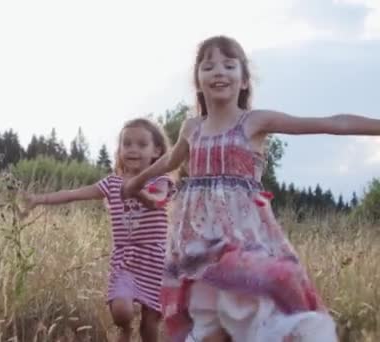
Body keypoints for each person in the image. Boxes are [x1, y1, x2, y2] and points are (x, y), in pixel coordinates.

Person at [121, 35, 380, 342]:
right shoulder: (192, 128)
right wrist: (137, 182)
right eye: (209, 66)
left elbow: (332, 123)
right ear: (198, 81)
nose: (219, 72)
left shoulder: (254, 122)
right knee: (209, 324)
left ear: (243, 81)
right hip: (198, 242)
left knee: (249, 315)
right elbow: (168, 162)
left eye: (229, 65)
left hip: (243, 240)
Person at [21, 118, 175, 341]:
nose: (133, 149)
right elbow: (74, 194)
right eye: (127, 144)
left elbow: (155, 201)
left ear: (156, 150)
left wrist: (134, 188)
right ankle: (125, 330)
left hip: (155, 259)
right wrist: (38, 199)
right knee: (121, 311)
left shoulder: (160, 180)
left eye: (142, 145)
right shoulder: (112, 183)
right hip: (126, 258)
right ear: (120, 150)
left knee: (151, 321)